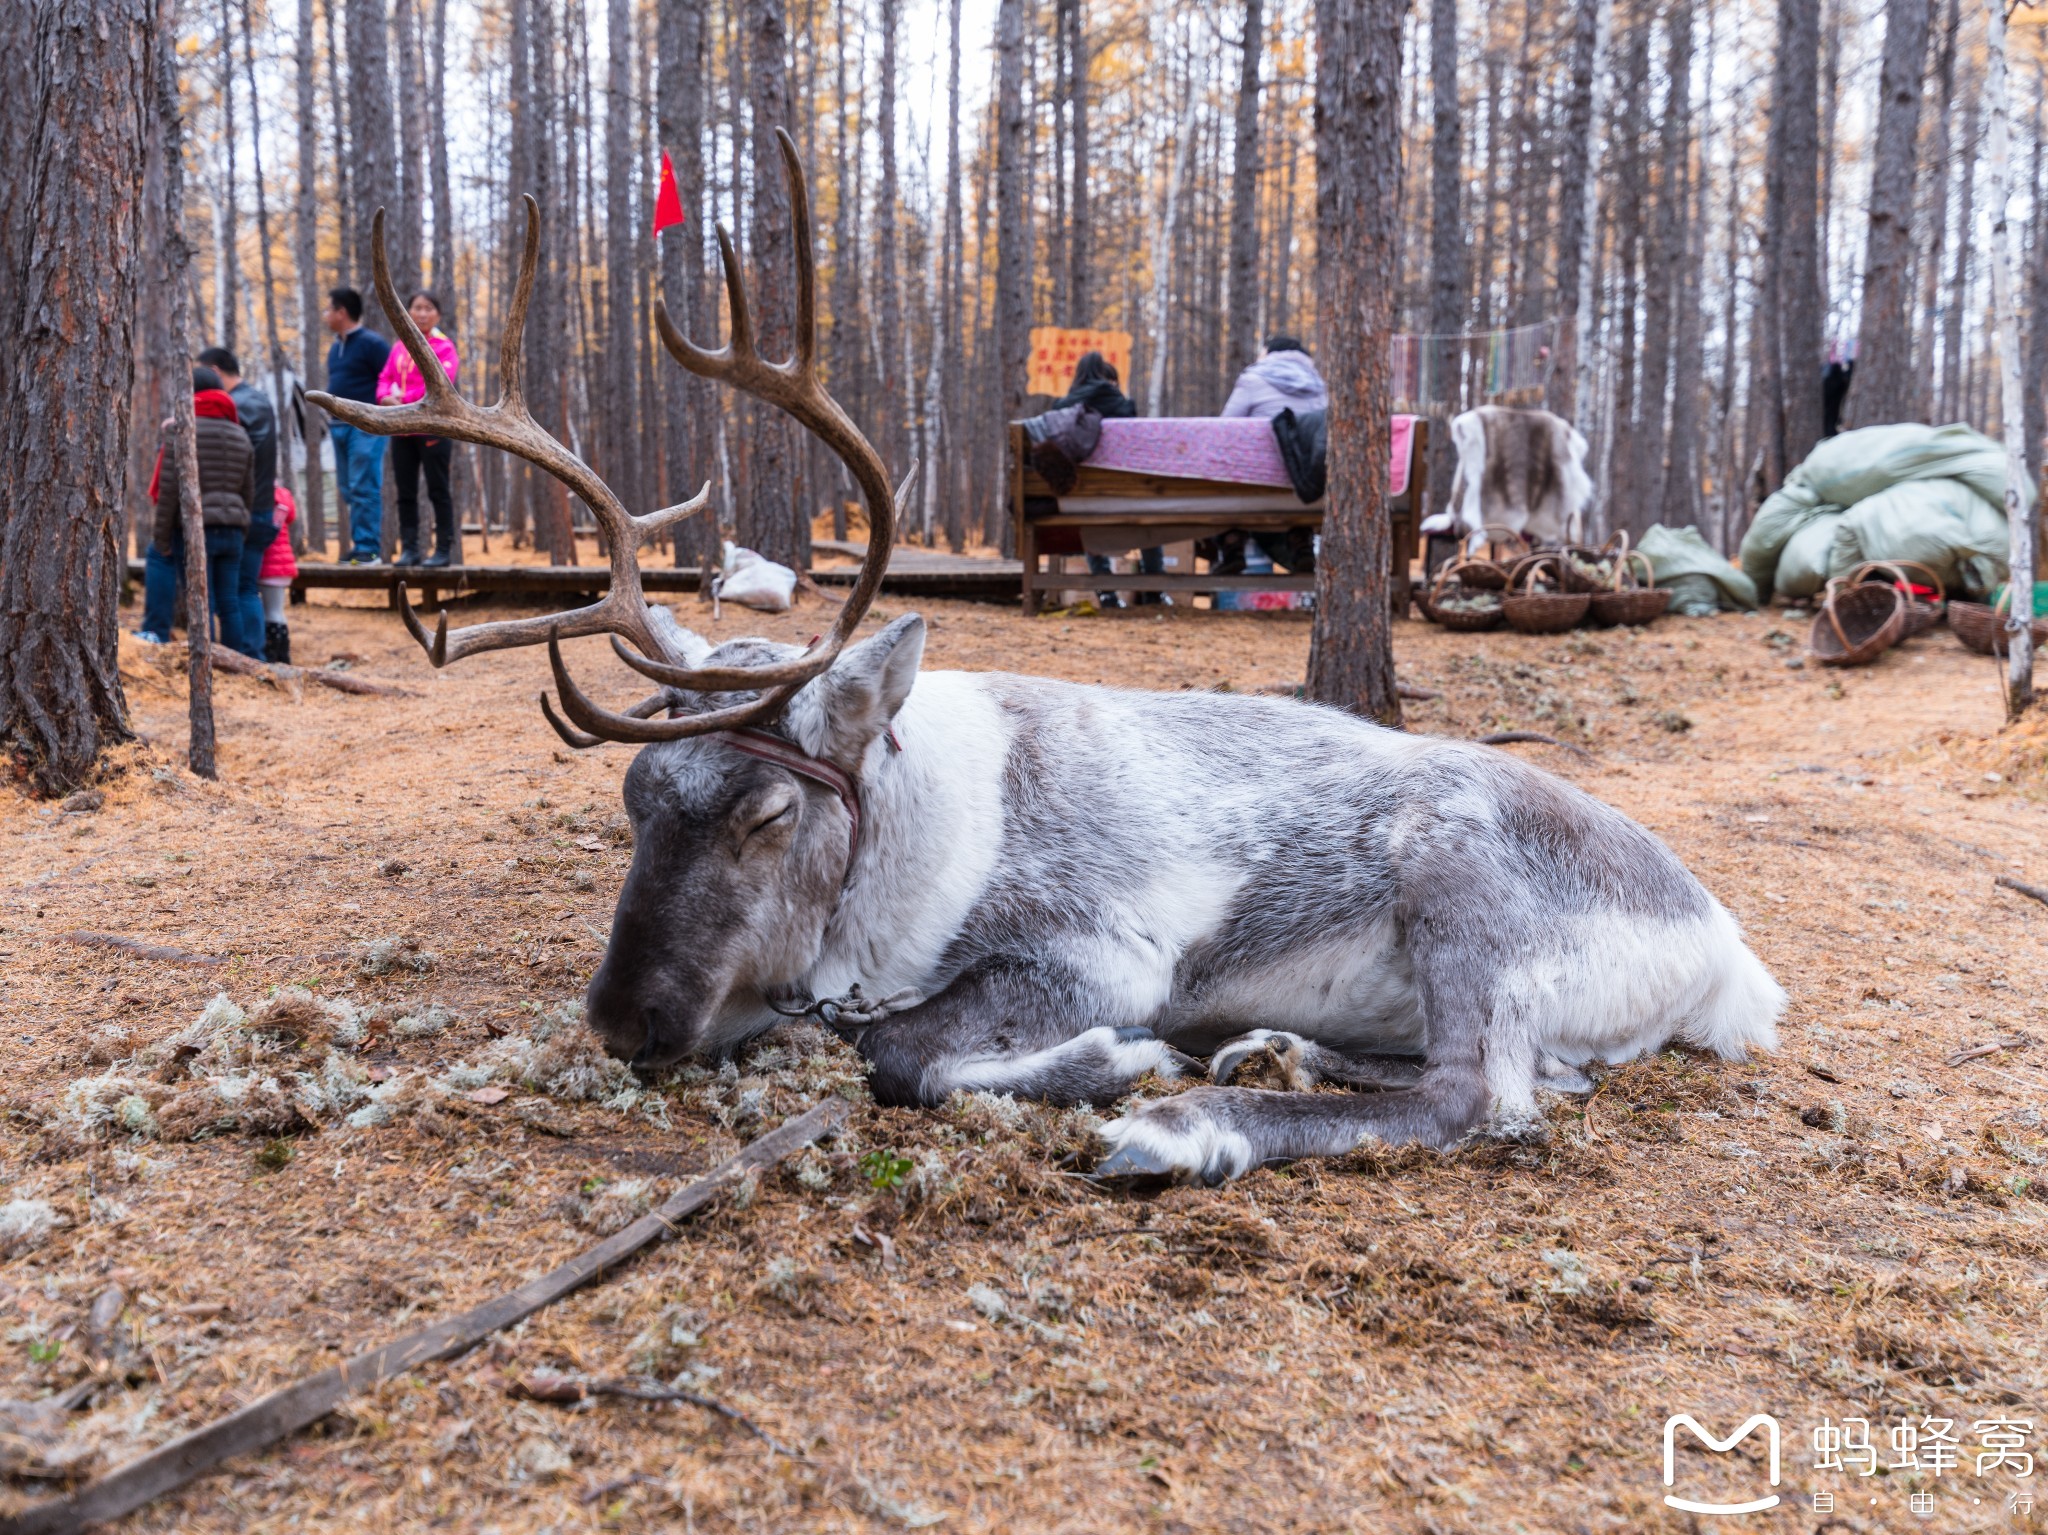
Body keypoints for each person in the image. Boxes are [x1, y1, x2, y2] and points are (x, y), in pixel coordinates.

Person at [139, 367, 254, 653]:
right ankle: (234, 661)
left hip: (195, 529)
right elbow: (248, 491)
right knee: (229, 601)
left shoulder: (182, 431)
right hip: (233, 529)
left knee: (202, 601)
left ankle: (203, 661)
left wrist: (162, 539)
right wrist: (242, 527)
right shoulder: (240, 434)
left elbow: (168, 491)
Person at [1056, 353, 1167, 610]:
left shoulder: (1062, 408)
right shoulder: (1119, 403)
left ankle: (1106, 594)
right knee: (1150, 522)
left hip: (1081, 499)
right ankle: (1153, 592)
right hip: (1125, 494)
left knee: (1089, 526)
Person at [1214, 335, 1330, 576]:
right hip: (1306, 489)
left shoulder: (1252, 380)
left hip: (1252, 488)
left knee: (1226, 474)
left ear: (1267, 354)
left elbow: (1224, 429)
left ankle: (1233, 545)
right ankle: (1302, 545)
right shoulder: (1319, 386)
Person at [197, 346, 276, 657]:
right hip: (256, 508)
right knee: (243, 588)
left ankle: (247, 655)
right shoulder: (257, 401)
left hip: (245, 512)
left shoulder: (239, 405)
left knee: (237, 590)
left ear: (215, 372)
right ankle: (249, 654)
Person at [375, 291, 461, 566]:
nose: (422, 313)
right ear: (409, 312)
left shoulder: (444, 347)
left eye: (428, 308)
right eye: (417, 308)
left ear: (437, 314)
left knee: (438, 490)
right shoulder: (400, 346)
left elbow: (441, 383)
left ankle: (443, 550)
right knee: (406, 492)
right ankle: (410, 549)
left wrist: (403, 399)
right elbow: (385, 377)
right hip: (403, 429)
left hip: (434, 428)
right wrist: (385, 397)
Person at [324, 287, 393, 564]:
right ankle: (360, 545)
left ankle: (369, 549)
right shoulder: (335, 347)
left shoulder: (372, 344)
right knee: (347, 487)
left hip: (366, 426)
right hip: (338, 426)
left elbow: (388, 379)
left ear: (342, 312)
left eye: (329, 309)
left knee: (364, 485)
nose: (326, 315)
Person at [257, 482, 299, 663]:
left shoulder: (265, 496)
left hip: (270, 565)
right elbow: (292, 517)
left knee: (271, 613)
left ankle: (273, 655)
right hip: (283, 566)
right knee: (277, 611)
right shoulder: (284, 495)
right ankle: (283, 654)